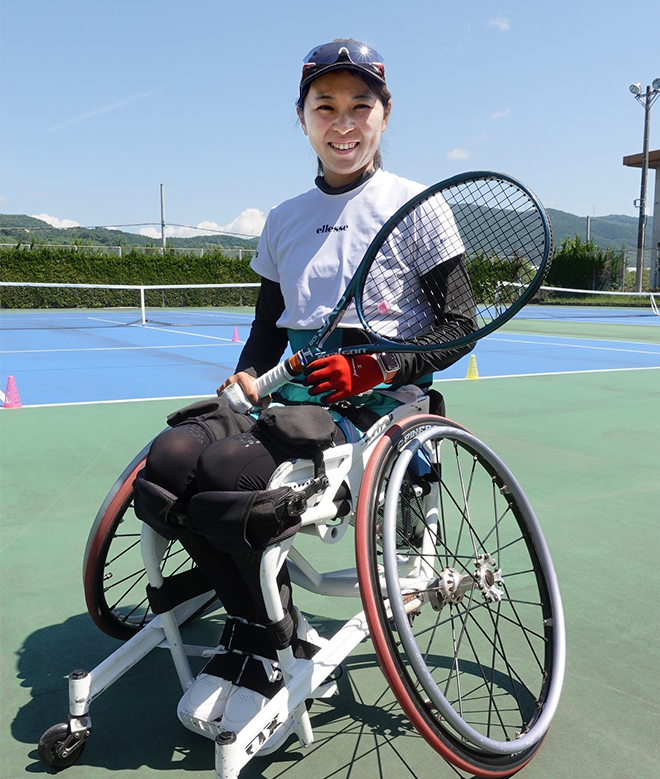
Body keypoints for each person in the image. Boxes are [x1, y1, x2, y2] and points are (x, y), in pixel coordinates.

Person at [134, 38, 476, 752]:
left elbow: (459, 328)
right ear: (302, 118)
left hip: (383, 399)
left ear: (385, 115)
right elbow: (268, 326)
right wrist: (247, 376)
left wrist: (376, 367)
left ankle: (272, 640)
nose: (342, 122)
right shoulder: (285, 217)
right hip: (288, 388)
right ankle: (252, 618)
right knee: (168, 460)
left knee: (233, 477)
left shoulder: (417, 204)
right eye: (326, 106)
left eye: (360, 106)